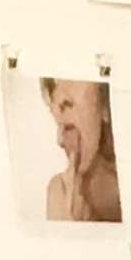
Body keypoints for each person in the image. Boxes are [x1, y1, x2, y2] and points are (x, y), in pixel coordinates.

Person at [42, 77, 121, 223]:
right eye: (52, 87)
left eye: (72, 76)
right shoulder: (60, 194)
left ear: (105, 103)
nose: (59, 101)